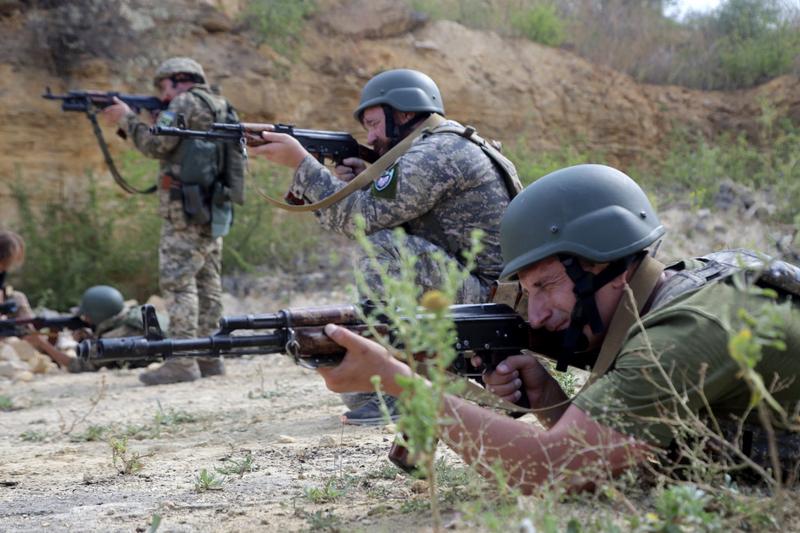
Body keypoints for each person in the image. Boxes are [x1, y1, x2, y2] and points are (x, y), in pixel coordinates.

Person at [315, 164, 800, 491]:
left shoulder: (682, 334)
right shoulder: (675, 292)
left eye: (546, 285)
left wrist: (401, 382)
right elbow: (611, 457)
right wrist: (547, 395)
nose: (538, 314)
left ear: (605, 265)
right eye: (529, 292)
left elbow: (553, 469)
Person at [250, 68, 520, 424]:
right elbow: (375, 216)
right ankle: (399, 382)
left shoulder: (437, 152)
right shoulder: (443, 145)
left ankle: (395, 393)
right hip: (485, 292)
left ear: (403, 114)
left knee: (383, 247)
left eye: (375, 124)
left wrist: (302, 164)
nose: (371, 137)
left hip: (488, 301)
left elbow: (359, 221)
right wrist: (360, 183)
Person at [102, 57, 233, 385]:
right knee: (208, 284)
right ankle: (209, 357)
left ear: (179, 79)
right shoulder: (219, 104)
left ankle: (182, 361)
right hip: (213, 208)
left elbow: (156, 145)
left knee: (179, 285)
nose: (163, 96)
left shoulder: (183, 102)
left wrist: (127, 118)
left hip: (184, 211)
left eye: (164, 87)